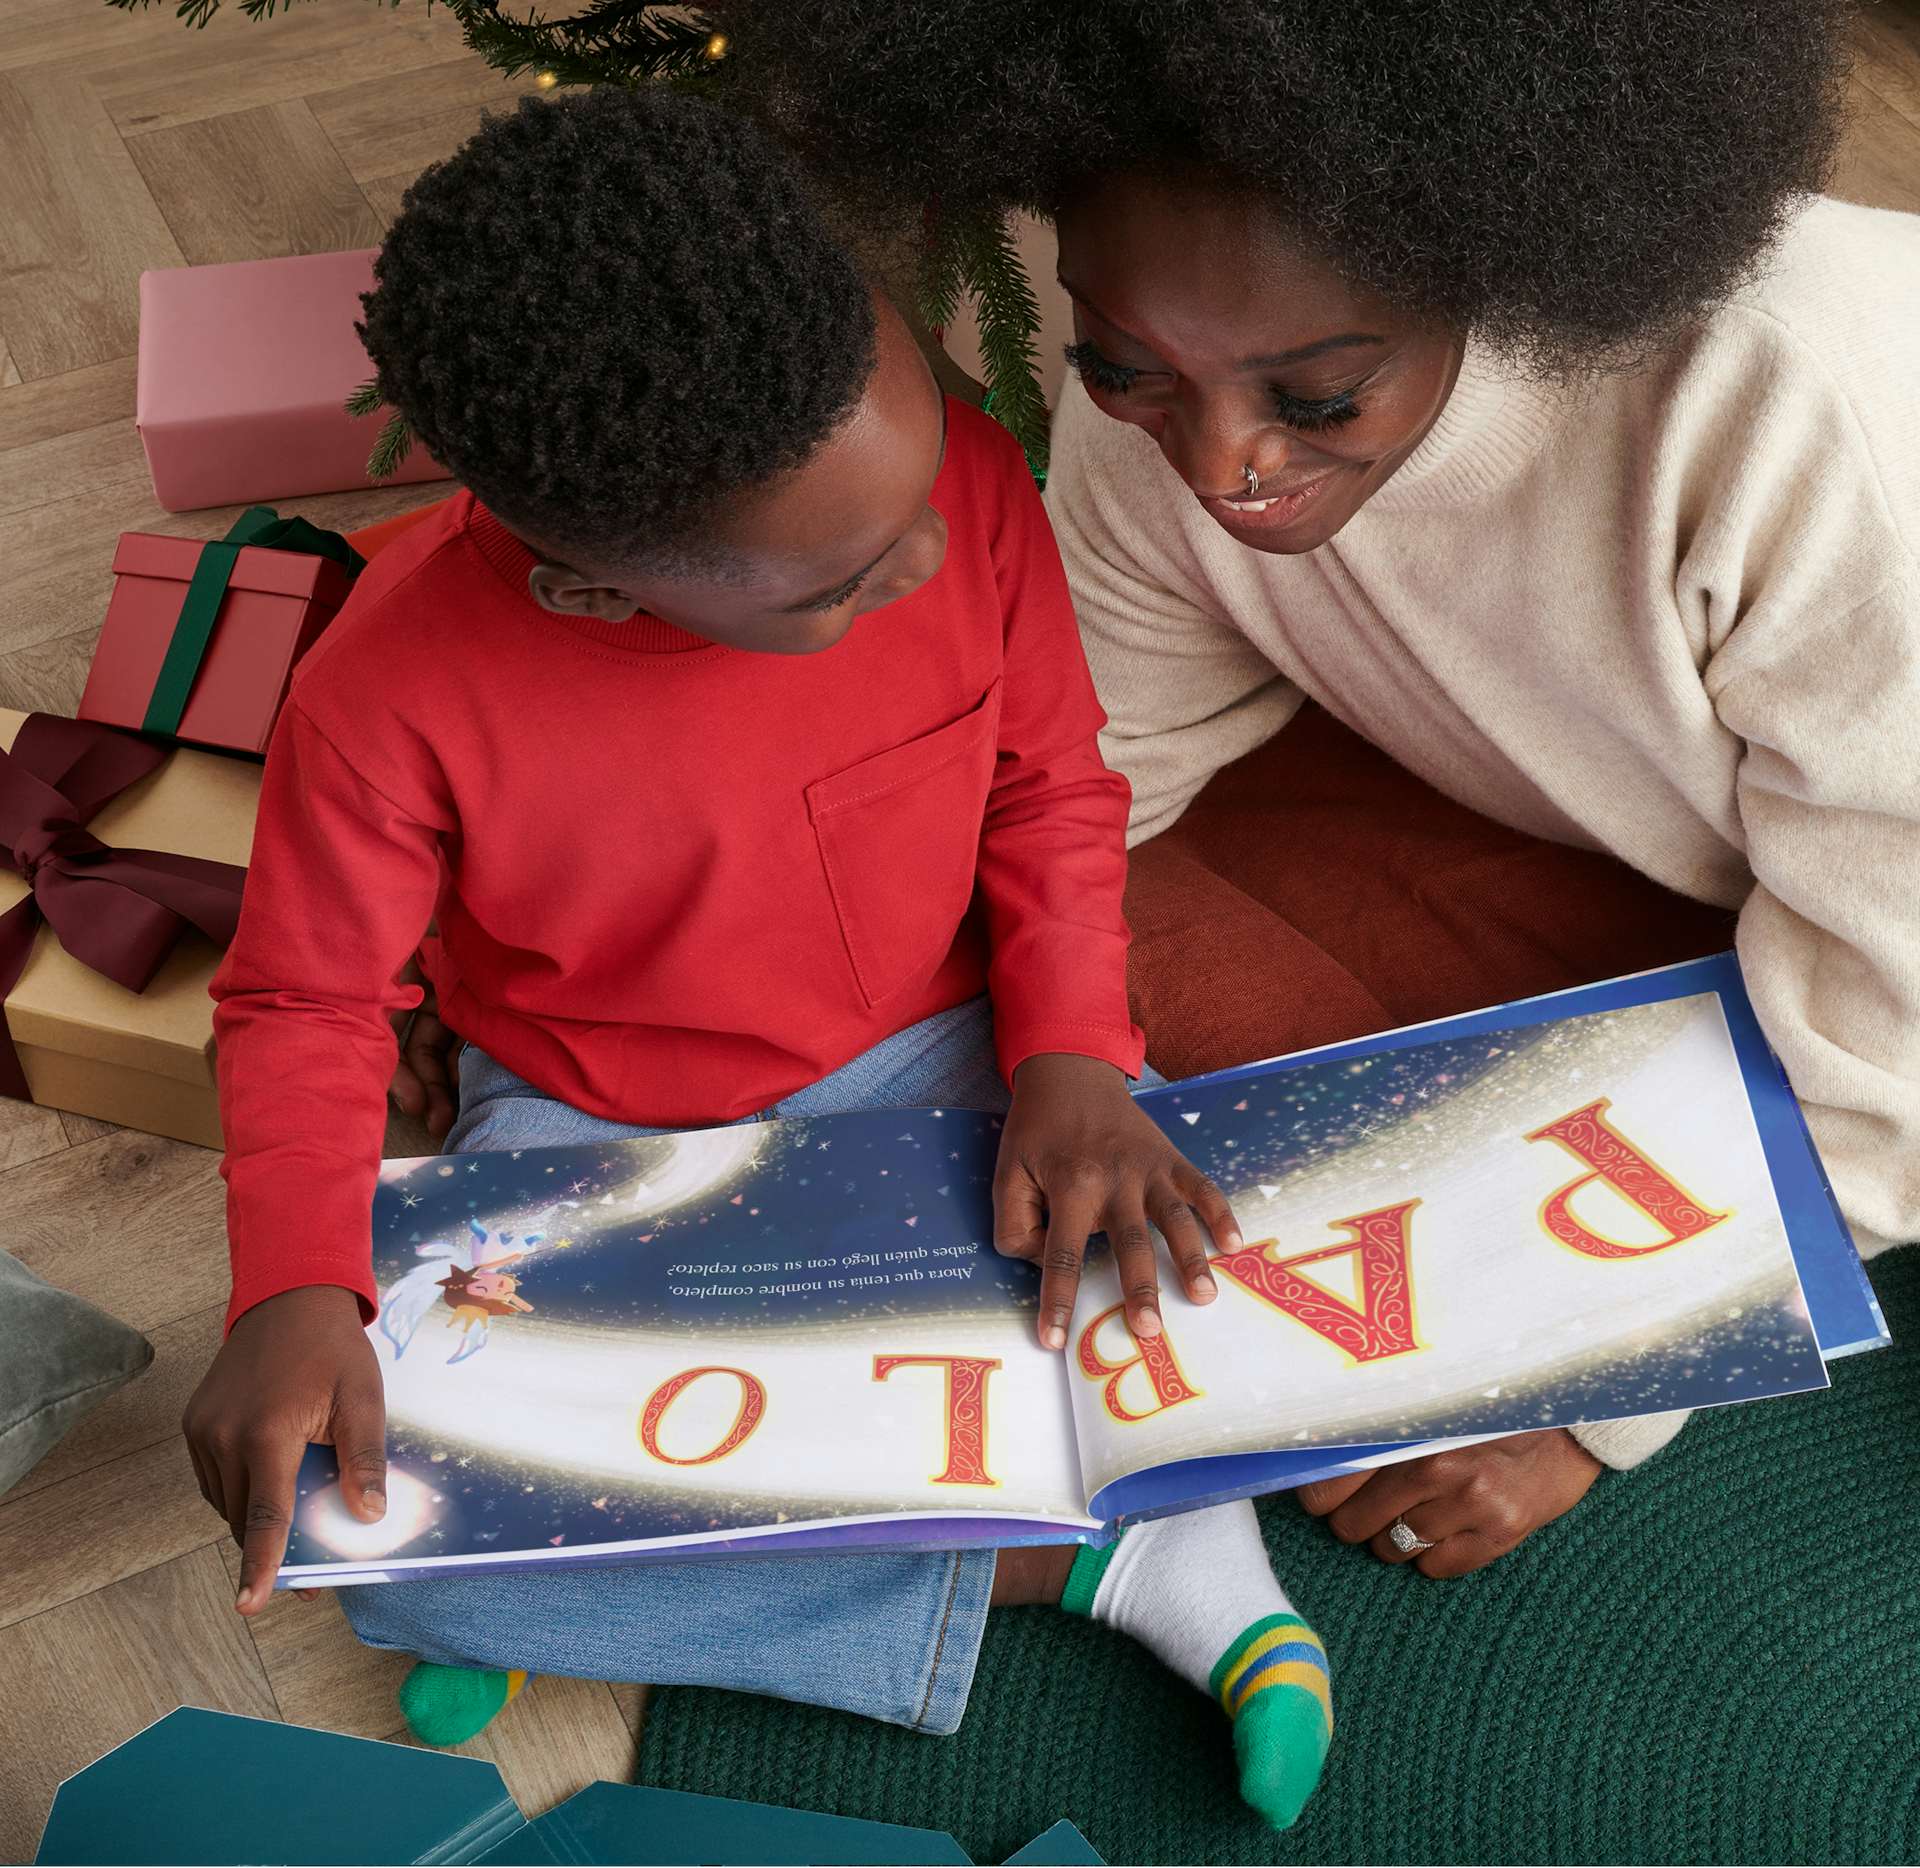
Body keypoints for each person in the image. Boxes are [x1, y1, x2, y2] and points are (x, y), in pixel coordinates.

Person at [182, 87, 1335, 1831]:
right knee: (386, 1543)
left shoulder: (950, 470)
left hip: (943, 1049)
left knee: (1182, 1274)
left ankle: (1107, 1545)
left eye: (929, 469)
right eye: (845, 586)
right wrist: (289, 1290)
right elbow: (305, 999)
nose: (940, 550)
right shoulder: (384, 687)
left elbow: (1050, 795)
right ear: (586, 582)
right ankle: (1087, 1562)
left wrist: (1074, 1060)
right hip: (585, 1121)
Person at [711, 0, 1918, 1572]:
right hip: (1675, 830)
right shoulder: (1152, 413)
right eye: (1132, 369)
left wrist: (1593, 1397)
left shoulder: (1794, 426)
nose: (1221, 467)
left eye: (1318, 397)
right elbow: (1078, 778)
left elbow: (1896, 1010)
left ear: (1497, 265)